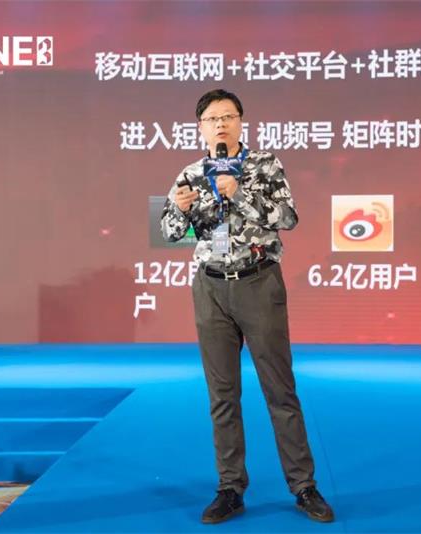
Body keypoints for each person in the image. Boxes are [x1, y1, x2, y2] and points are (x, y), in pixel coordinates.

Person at [160, 89, 334, 524]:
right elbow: (169, 232)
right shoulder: (188, 174)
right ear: (200, 127)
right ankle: (230, 488)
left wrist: (238, 193)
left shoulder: (265, 165)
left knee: (280, 389)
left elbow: (288, 218)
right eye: (211, 118)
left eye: (228, 116)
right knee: (222, 395)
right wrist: (177, 210)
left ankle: (304, 486)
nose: (220, 124)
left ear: (241, 122)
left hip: (258, 283)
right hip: (210, 288)